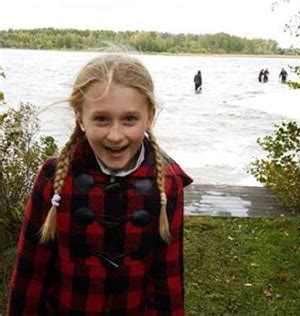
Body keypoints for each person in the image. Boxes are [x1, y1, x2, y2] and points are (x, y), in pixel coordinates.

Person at [6, 54, 193, 315]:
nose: (115, 135)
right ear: (81, 118)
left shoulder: (167, 184)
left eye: (129, 119)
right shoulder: (54, 177)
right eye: (101, 119)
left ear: (149, 116)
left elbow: (168, 280)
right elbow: (30, 276)